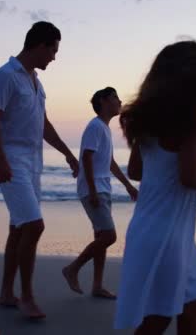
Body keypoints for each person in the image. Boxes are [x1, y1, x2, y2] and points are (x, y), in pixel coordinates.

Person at [114, 40, 196, 334]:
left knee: (189, 308)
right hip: (168, 235)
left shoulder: (143, 119)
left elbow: (135, 170)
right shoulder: (190, 122)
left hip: (152, 228)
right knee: (158, 318)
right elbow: (188, 177)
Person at [0, 21, 78, 319]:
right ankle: (26, 296)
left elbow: (43, 125)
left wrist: (67, 153)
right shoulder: (5, 76)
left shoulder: (36, 81)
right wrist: (0, 157)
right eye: (53, 49)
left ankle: (5, 293)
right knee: (34, 225)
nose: (54, 56)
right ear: (40, 45)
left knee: (18, 227)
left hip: (34, 162)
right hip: (12, 159)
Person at [62, 87, 138, 299]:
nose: (120, 101)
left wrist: (128, 185)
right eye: (115, 97)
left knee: (101, 237)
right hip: (93, 189)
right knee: (108, 236)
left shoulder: (104, 128)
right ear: (104, 101)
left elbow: (110, 162)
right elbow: (86, 157)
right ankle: (72, 269)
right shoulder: (95, 126)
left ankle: (97, 286)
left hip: (103, 187)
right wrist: (93, 190)